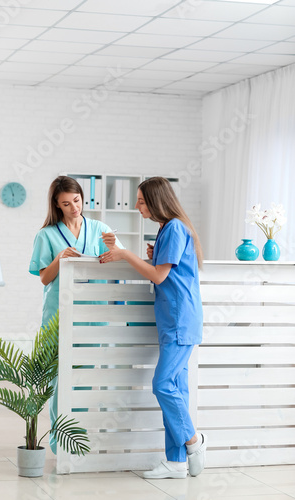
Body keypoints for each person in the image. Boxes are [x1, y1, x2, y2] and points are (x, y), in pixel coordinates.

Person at [99, 176, 206, 479]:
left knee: (162, 385)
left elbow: (159, 277)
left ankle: (194, 442)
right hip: (172, 320)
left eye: (142, 201)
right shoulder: (166, 229)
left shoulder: (173, 227)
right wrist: (149, 255)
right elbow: (165, 272)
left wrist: (126, 254)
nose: (136, 206)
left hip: (179, 321)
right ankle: (175, 462)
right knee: (176, 390)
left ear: (158, 200)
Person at [29, 175, 122, 453]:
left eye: (77, 201)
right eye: (66, 204)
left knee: (91, 377)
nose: (74, 208)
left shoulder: (100, 229)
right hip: (60, 314)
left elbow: (120, 262)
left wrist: (114, 250)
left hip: (94, 315)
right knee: (62, 379)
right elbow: (45, 278)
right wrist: (60, 259)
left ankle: (87, 438)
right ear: (57, 206)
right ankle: (61, 442)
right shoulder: (47, 235)